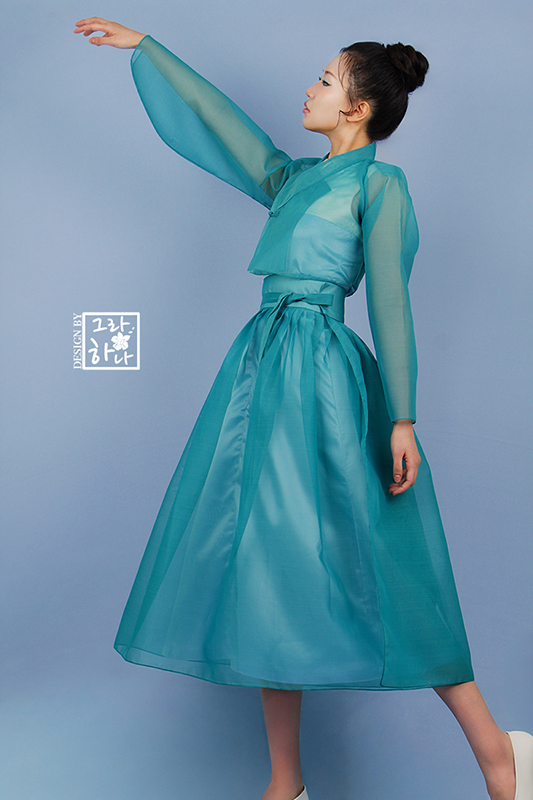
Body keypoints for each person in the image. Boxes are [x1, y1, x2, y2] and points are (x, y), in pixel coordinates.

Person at [74, 17, 532, 800]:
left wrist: (401, 417)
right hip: (261, 371)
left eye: (325, 80)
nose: (309, 89)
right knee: (265, 560)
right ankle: (284, 783)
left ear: (357, 107)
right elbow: (221, 127)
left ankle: (498, 755)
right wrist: (147, 50)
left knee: (387, 562)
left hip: (324, 377)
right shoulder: (291, 179)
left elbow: (389, 298)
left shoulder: (378, 186)